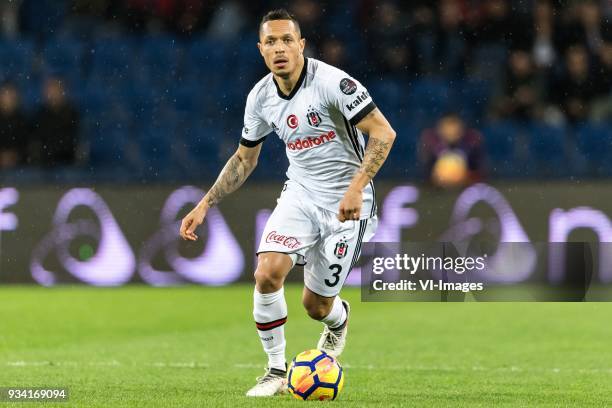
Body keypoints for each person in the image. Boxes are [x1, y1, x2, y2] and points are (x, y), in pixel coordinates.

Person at [179, 9, 396, 397]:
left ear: (301, 45)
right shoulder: (261, 97)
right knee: (267, 273)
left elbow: (384, 132)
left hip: (348, 203)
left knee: (316, 306)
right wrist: (205, 204)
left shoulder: (334, 83)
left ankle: (338, 319)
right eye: (271, 42)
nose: (279, 48)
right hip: (299, 195)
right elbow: (245, 158)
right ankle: (275, 371)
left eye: (286, 40)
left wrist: (356, 186)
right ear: (261, 49)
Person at [420, 113, 483, 188]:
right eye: (447, 126)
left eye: (454, 126)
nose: (451, 130)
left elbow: (478, 175)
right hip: (439, 191)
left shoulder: (471, 145)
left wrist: (466, 177)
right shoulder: (431, 146)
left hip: (463, 188)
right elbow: (426, 177)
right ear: (440, 128)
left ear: (461, 128)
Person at [31, 77, 80, 166]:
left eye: (56, 89)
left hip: (67, 161)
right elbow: (36, 142)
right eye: (50, 89)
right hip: (45, 164)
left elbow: (73, 141)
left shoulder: (72, 114)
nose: (53, 93)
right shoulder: (39, 115)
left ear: (63, 91)